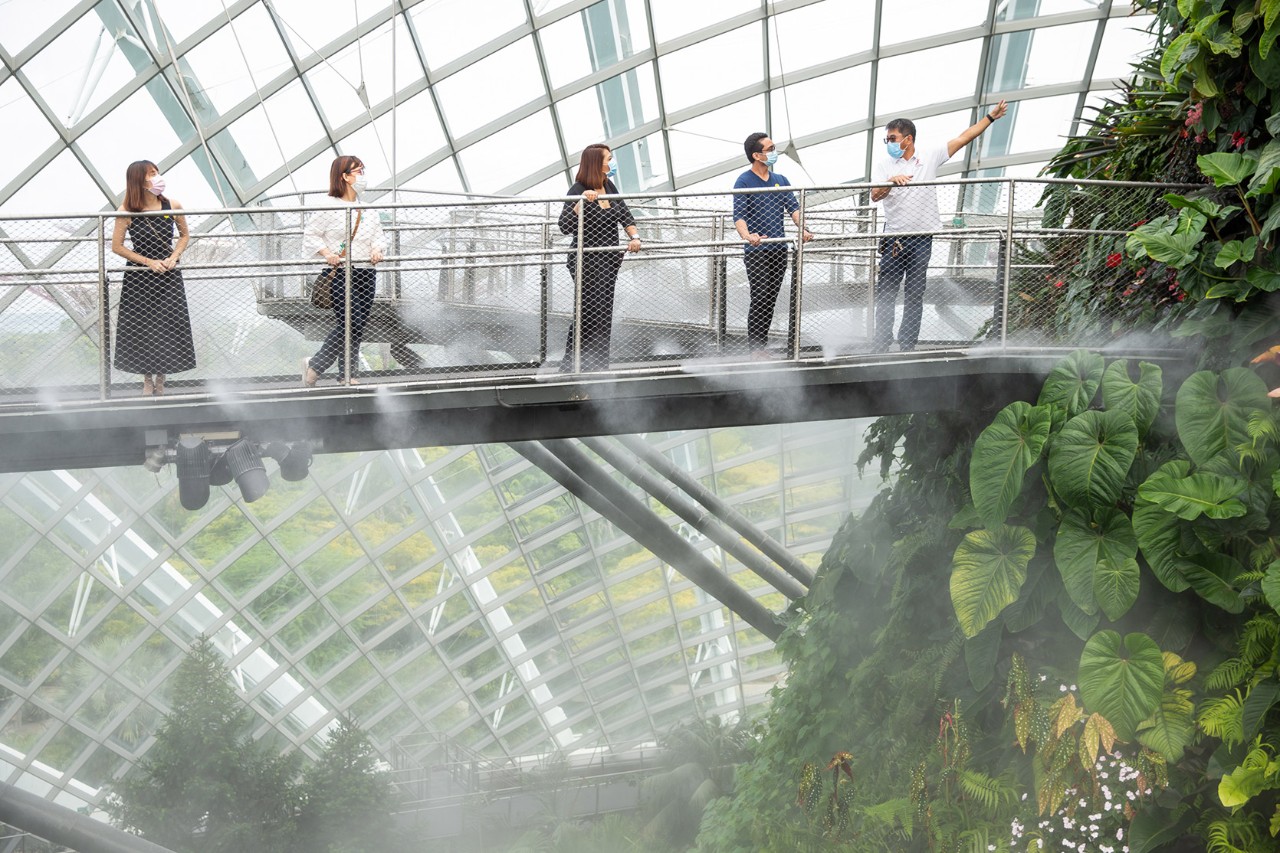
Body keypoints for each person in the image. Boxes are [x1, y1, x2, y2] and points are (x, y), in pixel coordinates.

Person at [871, 101, 1008, 352]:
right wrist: (891, 181)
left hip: (922, 239)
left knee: (915, 294)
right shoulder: (885, 166)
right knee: (886, 294)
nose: (888, 143)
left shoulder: (929, 157)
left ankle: (907, 346)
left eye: (892, 138)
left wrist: (991, 117)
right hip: (893, 239)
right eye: (887, 139)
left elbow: (963, 138)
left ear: (908, 139)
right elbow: (875, 195)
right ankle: (880, 344)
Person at [111, 160, 195, 396]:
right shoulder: (126, 210)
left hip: (168, 274)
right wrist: (148, 262)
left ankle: (162, 378)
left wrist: (174, 257)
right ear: (138, 180)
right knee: (142, 327)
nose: (156, 177)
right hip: (140, 277)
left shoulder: (172, 204)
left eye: (156, 172)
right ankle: (147, 379)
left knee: (167, 325)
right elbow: (117, 246)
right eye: (150, 174)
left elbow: (184, 235)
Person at [302, 154, 387, 386]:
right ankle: (317, 366)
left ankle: (347, 375)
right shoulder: (327, 207)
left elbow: (378, 237)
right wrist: (327, 254)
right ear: (345, 176)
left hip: (366, 272)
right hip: (341, 272)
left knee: (355, 325)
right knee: (352, 321)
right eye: (358, 171)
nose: (362, 176)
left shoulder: (368, 209)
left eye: (362, 170)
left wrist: (377, 249)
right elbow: (311, 235)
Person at [556, 143, 641, 371]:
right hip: (587, 260)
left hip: (610, 259)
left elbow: (625, 215)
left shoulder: (608, 185)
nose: (612, 163)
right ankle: (572, 363)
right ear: (597, 163)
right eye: (609, 158)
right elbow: (564, 226)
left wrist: (635, 237)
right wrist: (581, 203)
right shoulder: (578, 189)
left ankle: (599, 362)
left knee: (605, 310)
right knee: (588, 310)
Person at [733, 133, 814, 357]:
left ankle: (762, 347)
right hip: (757, 251)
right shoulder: (744, 181)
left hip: (779, 250)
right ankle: (755, 350)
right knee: (760, 296)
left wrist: (803, 229)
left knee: (770, 298)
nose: (773, 152)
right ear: (756, 155)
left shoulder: (781, 180)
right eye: (769, 149)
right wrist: (748, 235)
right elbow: (738, 215)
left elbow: (794, 210)